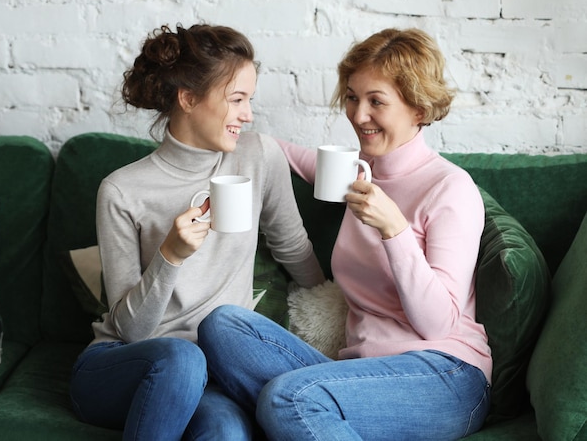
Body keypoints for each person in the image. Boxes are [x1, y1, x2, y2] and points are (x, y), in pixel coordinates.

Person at [198, 28, 492, 440]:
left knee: (287, 398)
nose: (357, 115)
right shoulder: (355, 174)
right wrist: (222, 129)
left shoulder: (450, 188)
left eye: (377, 101)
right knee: (221, 326)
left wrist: (394, 230)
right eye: (353, 97)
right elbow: (284, 153)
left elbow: (438, 324)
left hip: (442, 373)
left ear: (419, 108)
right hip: (352, 375)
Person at [69, 23, 325, 441]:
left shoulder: (258, 156)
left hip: (212, 372)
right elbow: (131, 330)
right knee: (182, 358)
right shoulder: (121, 190)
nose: (248, 114)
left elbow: (291, 245)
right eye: (237, 100)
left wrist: (335, 313)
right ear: (188, 99)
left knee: (226, 431)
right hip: (123, 364)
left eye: (249, 100)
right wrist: (170, 255)